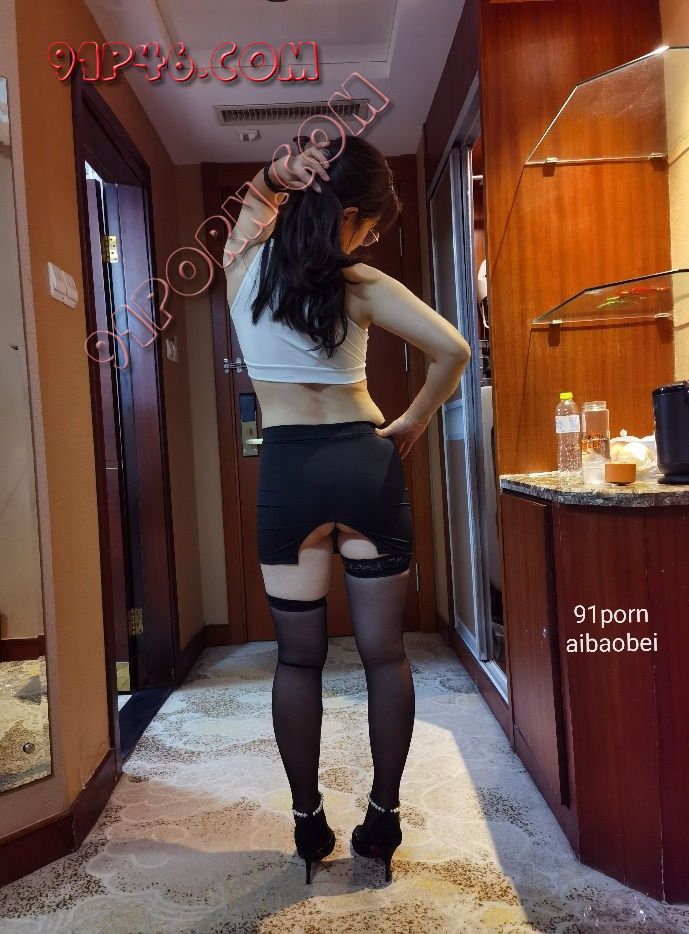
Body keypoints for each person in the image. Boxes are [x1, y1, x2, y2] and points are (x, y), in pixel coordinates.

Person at [225, 134, 471, 885]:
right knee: (384, 655)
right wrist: (414, 422)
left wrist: (276, 173)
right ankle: (383, 820)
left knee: (297, 659)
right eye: (369, 228)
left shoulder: (241, 266)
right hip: (366, 466)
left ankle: (308, 825)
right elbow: (454, 351)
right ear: (352, 216)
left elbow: (256, 199)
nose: (368, 242)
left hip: (289, 472)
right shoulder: (359, 282)